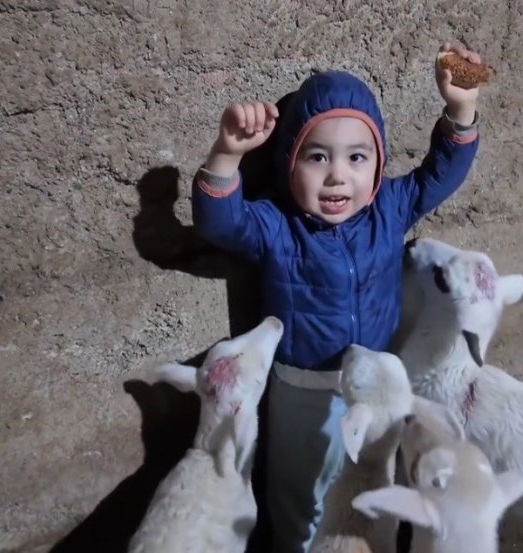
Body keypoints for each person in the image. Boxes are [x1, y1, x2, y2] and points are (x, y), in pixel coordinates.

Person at [190, 42, 484, 552]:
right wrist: (227, 154)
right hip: (304, 390)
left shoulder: (390, 209)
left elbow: (441, 172)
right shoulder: (277, 225)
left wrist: (461, 108)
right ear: (288, 161)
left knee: (370, 485)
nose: (337, 176)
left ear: (377, 164)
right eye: (317, 156)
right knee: (300, 496)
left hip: (375, 387)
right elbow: (221, 221)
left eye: (356, 157)